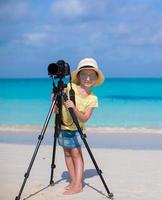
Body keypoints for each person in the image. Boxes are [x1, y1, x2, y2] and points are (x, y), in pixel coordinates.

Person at [54, 58, 104, 195]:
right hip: (63, 126)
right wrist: (55, 103)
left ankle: (78, 185)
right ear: (79, 76)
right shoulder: (70, 87)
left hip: (76, 129)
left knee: (76, 154)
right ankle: (74, 180)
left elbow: (85, 118)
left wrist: (74, 109)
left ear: (95, 78)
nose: (87, 78)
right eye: (84, 75)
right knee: (67, 153)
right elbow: (55, 94)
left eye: (91, 75)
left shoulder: (92, 99)